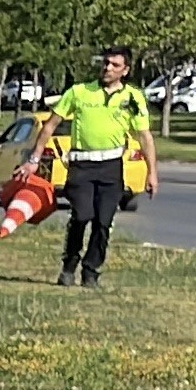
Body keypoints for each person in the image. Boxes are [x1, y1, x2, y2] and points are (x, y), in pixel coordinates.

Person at [31, 48, 154, 288]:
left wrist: (152, 173)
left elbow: (144, 136)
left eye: (115, 65)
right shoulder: (79, 92)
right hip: (82, 167)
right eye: (106, 63)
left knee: (103, 222)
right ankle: (69, 264)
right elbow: (50, 125)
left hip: (111, 168)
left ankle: (91, 271)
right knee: (82, 215)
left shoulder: (132, 98)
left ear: (125, 71)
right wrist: (34, 158)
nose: (108, 68)